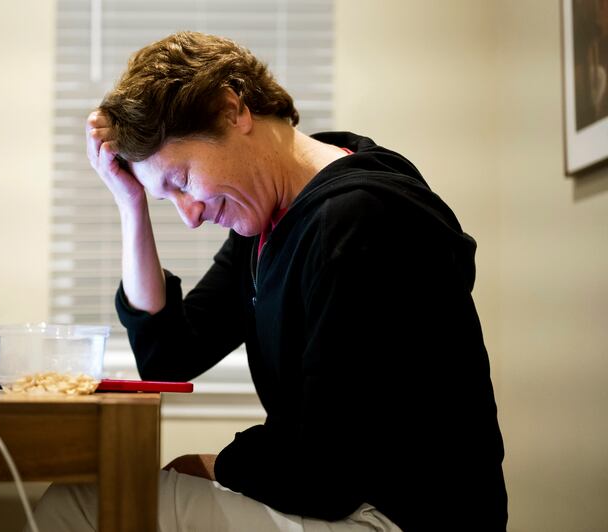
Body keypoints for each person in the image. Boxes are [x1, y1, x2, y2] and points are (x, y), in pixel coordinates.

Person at [31, 31, 508, 532]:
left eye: (183, 180)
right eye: (164, 197)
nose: (189, 216)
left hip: (400, 514)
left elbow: (324, 469)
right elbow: (167, 356)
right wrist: (130, 203)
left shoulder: (358, 221)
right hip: (344, 497)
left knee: (80, 505)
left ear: (231, 110)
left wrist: (214, 463)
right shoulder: (270, 223)